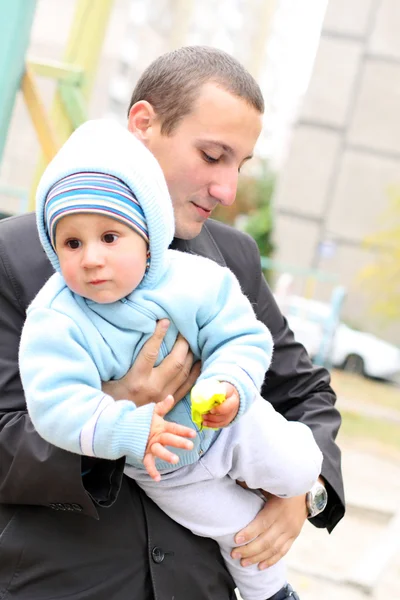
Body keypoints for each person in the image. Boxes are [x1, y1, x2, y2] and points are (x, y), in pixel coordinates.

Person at [0, 46, 345, 600]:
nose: (228, 189)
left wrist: (304, 492)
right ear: (144, 124)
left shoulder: (231, 258)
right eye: (212, 155)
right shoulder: (13, 258)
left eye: (240, 165)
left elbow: (304, 391)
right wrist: (116, 415)